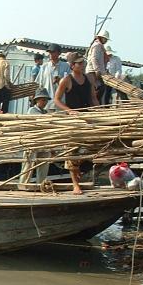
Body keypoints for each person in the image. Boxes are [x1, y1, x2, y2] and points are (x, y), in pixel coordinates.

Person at [54, 52, 98, 195]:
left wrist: (99, 111)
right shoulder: (66, 80)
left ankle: (80, 172)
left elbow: (93, 98)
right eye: (79, 63)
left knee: (90, 148)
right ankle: (75, 185)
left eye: (83, 63)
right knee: (71, 152)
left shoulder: (88, 79)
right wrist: (69, 111)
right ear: (72, 66)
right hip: (72, 121)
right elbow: (57, 100)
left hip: (86, 118)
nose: (83, 65)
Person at [19, 87, 51, 184]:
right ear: (37, 100)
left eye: (45, 100)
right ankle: (23, 184)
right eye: (42, 100)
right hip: (32, 142)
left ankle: (41, 184)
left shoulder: (45, 112)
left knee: (43, 164)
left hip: (43, 142)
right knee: (28, 166)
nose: (44, 102)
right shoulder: (32, 111)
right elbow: (42, 121)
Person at [34, 43, 70, 111]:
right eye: (49, 52)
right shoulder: (44, 67)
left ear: (59, 53)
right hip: (47, 103)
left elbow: (68, 84)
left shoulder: (66, 66)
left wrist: (60, 80)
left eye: (53, 52)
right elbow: (40, 85)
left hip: (61, 103)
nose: (50, 54)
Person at [85, 30, 109, 105]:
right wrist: (97, 70)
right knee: (98, 89)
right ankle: (93, 105)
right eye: (105, 39)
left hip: (96, 71)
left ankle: (96, 104)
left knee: (100, 89)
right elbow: (94, 58)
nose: (106, 41)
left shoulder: (100, 46)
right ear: (101, 37)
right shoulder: (97, 45)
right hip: (93, 71)